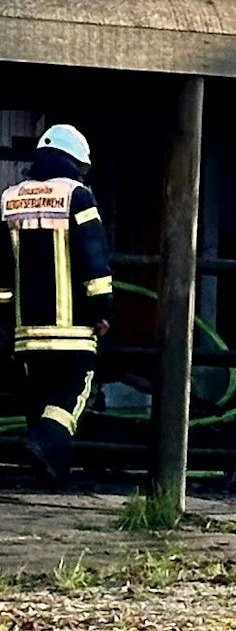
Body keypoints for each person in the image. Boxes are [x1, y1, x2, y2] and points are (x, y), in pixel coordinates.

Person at [0, 126, 113, 485]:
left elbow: (2, 269)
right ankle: (46, 441)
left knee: (38, 396)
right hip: (72, 330)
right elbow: (93, 258)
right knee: (74, 390)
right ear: (76, 162)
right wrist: (102, 308)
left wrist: (5, 318)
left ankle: (50, 470)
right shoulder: (77, 196)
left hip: (25, 331)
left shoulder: (10, 198)